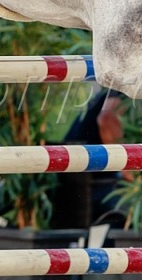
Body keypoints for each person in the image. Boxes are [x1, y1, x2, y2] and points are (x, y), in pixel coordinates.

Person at [49, 87, 128, 229]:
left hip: (76, 180)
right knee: (132, 204)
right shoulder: (126, 90)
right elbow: (106, 120)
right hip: (87, 184)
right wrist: (131, 173)